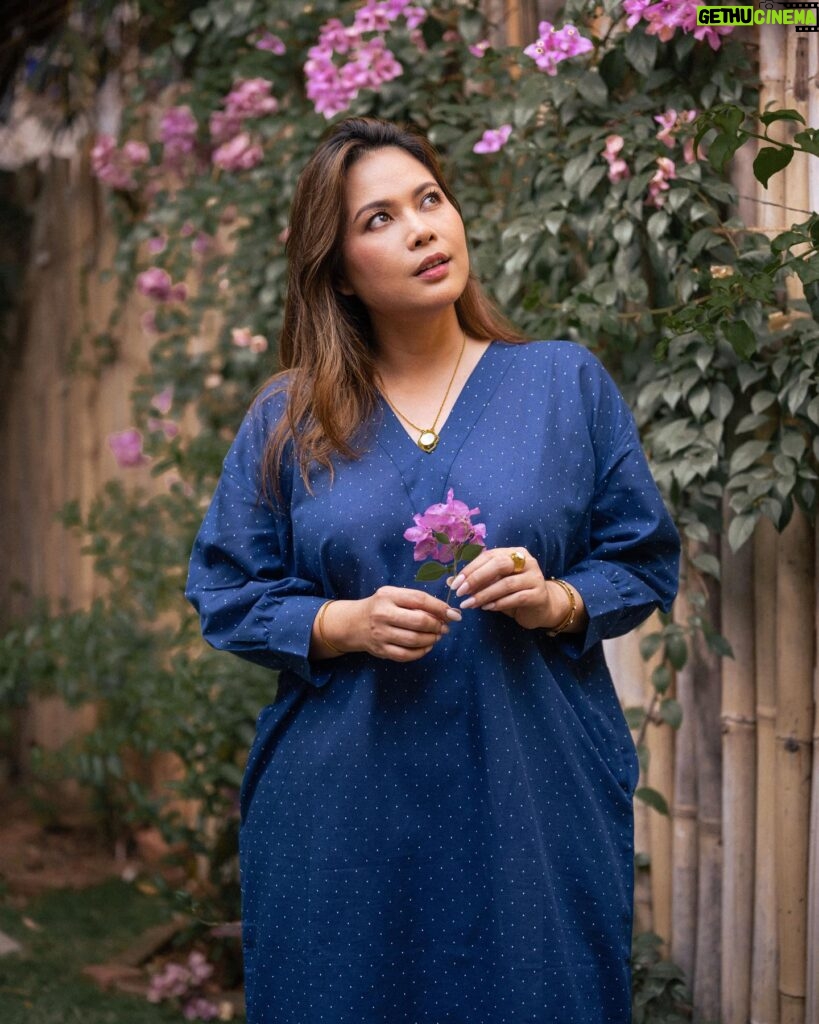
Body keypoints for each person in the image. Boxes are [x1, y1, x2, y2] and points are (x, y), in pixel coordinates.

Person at [185, 116, 680, 1024]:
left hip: (527, 794)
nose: (421, 228)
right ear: (334, 267)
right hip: (343, 804)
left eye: (430, 200)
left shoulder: (562, 384)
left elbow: (641, 558)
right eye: (379, 219)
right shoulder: (290, 419)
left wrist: (559, 599)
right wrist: (341, 623)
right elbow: (225, 589)